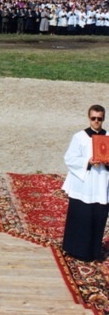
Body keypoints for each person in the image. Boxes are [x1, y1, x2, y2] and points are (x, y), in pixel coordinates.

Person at [62, 104, 109, 262]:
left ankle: (93, 251)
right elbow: (69, 158)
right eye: (94, 118)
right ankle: (76, 249)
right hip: (84, 183)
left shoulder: (108, 136)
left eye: (99, 119)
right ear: (89, 118)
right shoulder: (79, 137)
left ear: (103, 119)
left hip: (101, 183)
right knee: (81, 216)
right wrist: (87, 161)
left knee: (98, 217)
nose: (96, 121)